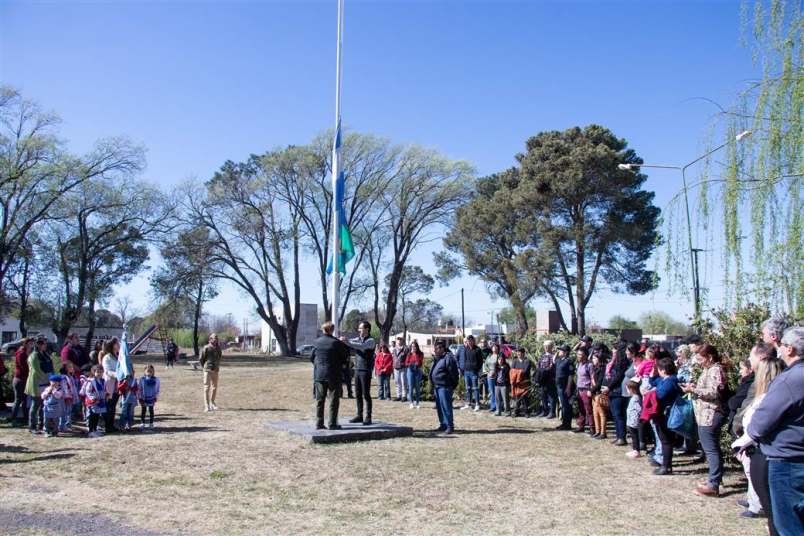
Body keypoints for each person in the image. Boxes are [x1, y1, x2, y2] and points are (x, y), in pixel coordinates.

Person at [747, 326, 804, 536]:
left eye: (782, 346)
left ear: (790, 349)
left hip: (788, 462)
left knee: (789, 526)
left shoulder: (789, 380)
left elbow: (760, 423)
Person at [731, 345, 782, 526]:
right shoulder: (764, 395)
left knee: (774, 511)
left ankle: (757, 506)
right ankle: (755, 502)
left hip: (762, 450)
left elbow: (759, 425)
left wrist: (741, 443)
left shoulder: (768, 398)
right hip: (754, 447)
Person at [682, 343, 726, 497]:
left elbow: (714, 392)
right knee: (712, 448)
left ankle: (713, 484)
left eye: (701, 358)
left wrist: (694, 389)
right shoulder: (709, 369)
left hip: (710, 414)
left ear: (710, 357)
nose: (699, 362)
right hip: (704, 414)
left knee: (711, 450)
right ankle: (714, 479)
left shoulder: (715, 370)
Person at [311, 322, 349, 430]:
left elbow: (312, 357)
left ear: (323, 330)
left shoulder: (316, 342)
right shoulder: (336, 343)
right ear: (332, 330)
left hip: (320, 374)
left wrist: (318, 366)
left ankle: (319, 423)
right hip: (334, 374)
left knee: (320, 400)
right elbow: (345, 356)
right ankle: (332, 423)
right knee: (333, 400)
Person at [649, 357, 682, 475]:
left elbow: (661, 394)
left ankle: (666, 466)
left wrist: (652, 393)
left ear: (663, 370)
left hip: (667, 414)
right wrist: (652, 375)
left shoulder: (670, 381)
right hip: (662, 414)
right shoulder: (665, 379)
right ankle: (666, 465)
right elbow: (653, 382)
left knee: (666, 441)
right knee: (664, 440)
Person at [343, 321, 375, 425]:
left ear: (367, 329)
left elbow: (361, 346)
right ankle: (359, 415)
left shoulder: (371, 340)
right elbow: (353, 341)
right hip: (357, 369)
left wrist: (347, 341)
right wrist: (343, 340)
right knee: (358, 394)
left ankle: (368, 417)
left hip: (366, 370)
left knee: (366, 394)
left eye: (360, 328)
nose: (359, 330)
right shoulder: (358, 339)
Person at [25, 337, 59, 435]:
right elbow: (36, 370)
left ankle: (42, 424)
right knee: (35, 405)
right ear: (39, 345)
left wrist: (53, 378)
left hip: (46, 383)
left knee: (44, 405)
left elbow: (51, 366)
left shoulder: (45, 354)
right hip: (37, 383)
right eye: (43, 344)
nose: (45, 345)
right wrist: (47, 378)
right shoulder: (33, 356)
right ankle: (32, 426)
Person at [429, 341, 459, 435]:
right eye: (435, 348)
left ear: (442, 349)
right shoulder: (437, 358)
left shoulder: (448, 358)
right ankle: (443, 424)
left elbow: (453, 373)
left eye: (437, 348)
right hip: (437, 387)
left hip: (445, 387)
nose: (435, 350)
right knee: (440, 407)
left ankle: (450, 426)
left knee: (446, 407)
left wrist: (452, 385)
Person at [605, 344, 629, 446]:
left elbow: (618, 377)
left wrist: (609, 387)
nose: (613, 352)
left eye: (615, 350)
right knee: (615, 415)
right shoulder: (614, 362)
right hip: (612, 391)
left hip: (618, 391)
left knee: (619, 415)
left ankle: (622, 437)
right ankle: (619, 436)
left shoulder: (622, 363)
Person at [10, 337, 32, 426]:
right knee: (18, 400)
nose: (32, 344)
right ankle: (13, 419)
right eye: (30, 343)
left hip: (25, 379)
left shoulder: (28, 353)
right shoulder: (21, 354)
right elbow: (24, 368)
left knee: (25, 400)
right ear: (25, 344)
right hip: (20, 380)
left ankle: (25, 418)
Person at [83, 365, 108, 438]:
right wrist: (94, 399)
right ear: (94, 372)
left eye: (101, 372)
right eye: (97, 372)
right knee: (92, 416)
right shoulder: (91, 381)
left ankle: (95, 429)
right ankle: (91, 431)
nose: (99, 373)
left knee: (97, 416)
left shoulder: (102, 381)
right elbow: (88, 391)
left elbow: (103, 390)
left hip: (100, 401)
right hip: (93, 402)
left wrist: (106, 395)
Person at [460, 335, 484, 412]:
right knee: (468, 389)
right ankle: (469, 404)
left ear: (473, 341)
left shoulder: (477, 350)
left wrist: (476, 369)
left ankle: (477, 404)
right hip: (466, 372)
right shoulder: (466, 349)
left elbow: (480, 362)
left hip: (474, 372)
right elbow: (465, 359)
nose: (469, 342)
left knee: (475, 389)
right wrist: (463, 369)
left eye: (471, 340)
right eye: (468, 341)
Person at [554, 344, 575, 430]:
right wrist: (557, 351)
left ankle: (567, 424)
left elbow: (570, 375)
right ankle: (564, 423)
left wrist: (568, 388)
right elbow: (553, 360)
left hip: (565, 386)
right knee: (563, 405)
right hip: (559, 386)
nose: (559, 352)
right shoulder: (559, 360)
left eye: (561, 350)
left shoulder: (568, 361)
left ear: (566, 353)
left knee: (567, 406)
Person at [101, 338, 120, 432]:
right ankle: (107, 426)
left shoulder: (117, 356)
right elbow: (107, 371)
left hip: (117, 385)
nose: (119, 344)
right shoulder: (107, 357)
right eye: (117, 343)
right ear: (112, 345)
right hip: (109, 385)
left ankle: (111, 425)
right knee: (109, 405)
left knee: (113, 405)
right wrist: (118, 374)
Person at [199, 333, 222, 412]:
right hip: (207, 370)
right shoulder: (206, 347)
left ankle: (212, 402)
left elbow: (219, 357)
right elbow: (201, 359)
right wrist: (205, 367)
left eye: (216, 338)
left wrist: (216, 365)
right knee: (206, 388)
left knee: (214, 387)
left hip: (215, 370)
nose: (216, 339)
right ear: (210, 339)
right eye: (214, 338)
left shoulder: (218, 348)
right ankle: (207, 405)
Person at [574, 349, 594, 434]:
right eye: (578, 354)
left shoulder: (589, 365)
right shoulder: (578, 364)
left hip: (586, 390)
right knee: (581, 409)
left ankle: (592, 428)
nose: (578, 356)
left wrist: (591, 389)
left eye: (580, 354)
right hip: (579, 390)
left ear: (585, 355)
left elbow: (592, 378)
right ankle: (581, 426)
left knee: (588, 410)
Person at [590, 351, 609, 439]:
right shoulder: (595, 368)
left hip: (599, 393)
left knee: (601, 413)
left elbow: (599, 382)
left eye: (594, 358)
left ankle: (602, 432)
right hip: (594, 393)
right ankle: (597, 431)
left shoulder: (603, 368)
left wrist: (592, 390)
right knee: (595, 413)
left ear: (599, 359)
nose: (592, 360)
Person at [536, 341, 557, 418]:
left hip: (550, 379)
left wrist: (543, 371)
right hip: (542, 379)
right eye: (545, 346)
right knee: (543, 396)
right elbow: (538, 365)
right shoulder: (542, 355)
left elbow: (551, 367)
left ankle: (552, 412)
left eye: (548, 346)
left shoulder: (553, 356)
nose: (546, 348)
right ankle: (544, 411)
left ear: (551, 347)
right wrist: (540, 371)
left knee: (551, 396)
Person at [510, 347, 532, 417]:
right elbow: (512, 371)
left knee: (525, 398)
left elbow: (525, 371)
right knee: (517, 397)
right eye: (517, 352)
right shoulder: (515, 361)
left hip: (525, 382)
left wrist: (517, 371)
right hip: (517, 383)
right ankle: (516, 411)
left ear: (523, 353)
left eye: (520, 352)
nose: (518, 353)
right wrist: (518, 371)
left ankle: (526, 412)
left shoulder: (527, 361)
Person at [138, 364, 160, 432]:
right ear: (144, 372)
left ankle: (151, 423)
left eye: (151, 371)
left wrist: (156, 396)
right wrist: (140, 397)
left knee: (151, 410)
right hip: (144, 397)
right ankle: (142, 423)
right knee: (143, 411)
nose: (149, 372)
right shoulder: (142, 379)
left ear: (153, 372)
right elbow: (139, 388)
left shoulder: (156, 379)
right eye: (147, 371)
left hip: (151, 397)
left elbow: (157, 389)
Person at [625, 378, 643, 458]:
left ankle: (636, 451)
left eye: (628, 390)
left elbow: (638, 410)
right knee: (633, 436)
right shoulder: (634, 398)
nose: (627, 391)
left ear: (632, 389)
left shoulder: (636, 398)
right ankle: (634, 449)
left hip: (633, 421)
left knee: (634, 436)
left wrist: (634, 420)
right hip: (630, 421)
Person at [405, 340, 424, 409]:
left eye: (414, 346)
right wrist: (411, 364)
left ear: (417, 347)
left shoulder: (420, 354)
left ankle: (418, 402)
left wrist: (415, 355)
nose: (413, 348)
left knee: (417, 387)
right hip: (410, 371)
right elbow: (406, 363)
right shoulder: (409, 354)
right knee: (410, 387)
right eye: (412, 346)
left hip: (417, 371)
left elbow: (420, 363)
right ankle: (411, 402)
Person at [391, 337, 408, 402]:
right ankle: (399, 395)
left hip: (403, 367)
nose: (398, 342)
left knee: (403, 382)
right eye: (397, 341)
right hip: (396, 367)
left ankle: (404, 396)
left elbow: (408, 357)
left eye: (400, 341)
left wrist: (405, 364)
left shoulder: (405, 349)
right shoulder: (394, 349)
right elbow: (393, 358)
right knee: (397, 382)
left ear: (402, 341)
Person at [483, 344, 498, 413]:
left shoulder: (499, 356)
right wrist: (489, 372)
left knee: (497, 392)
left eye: (496, 347)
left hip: (497, 376)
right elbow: (485, 365)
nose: (494, 348)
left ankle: (498, 406)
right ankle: (493, 406)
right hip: (489, 376)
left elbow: (502, 365)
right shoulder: (489, 356)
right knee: (491, 391)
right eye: (493, 347)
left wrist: (495, 372)